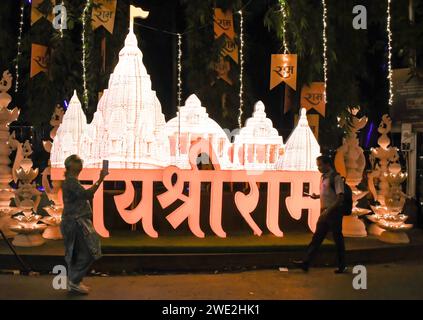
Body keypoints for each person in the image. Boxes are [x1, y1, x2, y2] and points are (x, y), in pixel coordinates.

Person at [61, 154, 108, 294]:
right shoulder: (71, 182)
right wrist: (101, 179)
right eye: (77, 166)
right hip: (76, 222)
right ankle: (74, 281)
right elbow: (87, 195)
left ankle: (74, 282)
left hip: (74, 221)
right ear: (70, 167)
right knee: (89, 251)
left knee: (78, 253)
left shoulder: (71, 181)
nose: (79, 168)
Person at [293, 155, 347, 274]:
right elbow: (328, 194)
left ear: (328, 164)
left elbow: (340, 198)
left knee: (337, 239)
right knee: (317, 238)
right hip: (325, 212)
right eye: (318, 166)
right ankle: (306, 263)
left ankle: (342, 265)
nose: (319, 168)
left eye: (320, 165)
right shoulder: (323, 177)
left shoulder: (336, 178)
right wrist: (317, 196)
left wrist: (328, 211)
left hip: (333, 213)